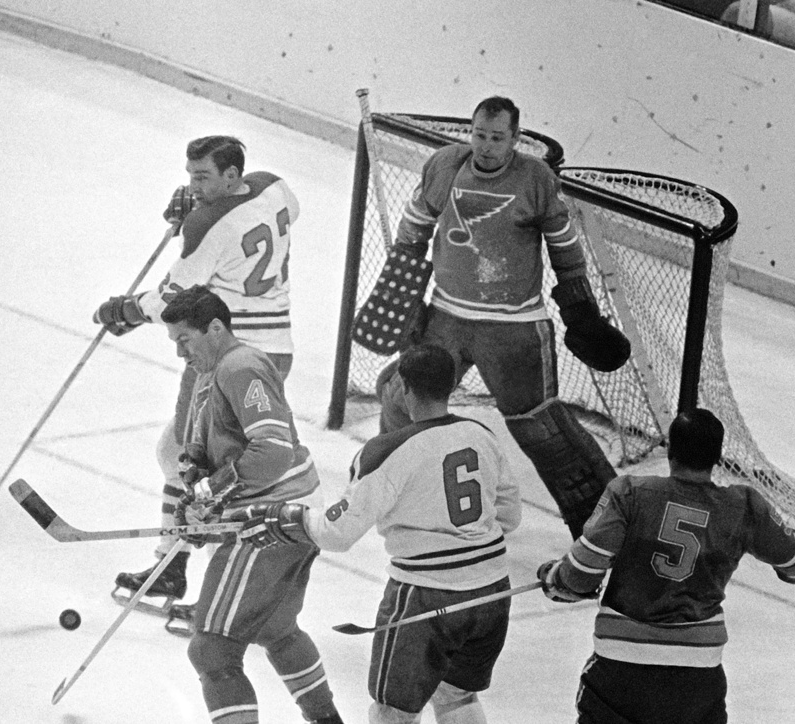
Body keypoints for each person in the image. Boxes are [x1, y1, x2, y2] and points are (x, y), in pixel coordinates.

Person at [375, 95, 630, 541]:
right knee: (401, 397)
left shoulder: (535, 179)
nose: (486, 146)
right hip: (447, 318)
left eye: (497, 137)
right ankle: (396, 494)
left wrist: (579, 309)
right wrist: (404, 292)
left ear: (515, 138)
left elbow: (565, 249)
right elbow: (413, 230)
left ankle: (606, 528)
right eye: (479, 135)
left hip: (513, 328)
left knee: (542, 430)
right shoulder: (445, 166)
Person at [238, 343, 523, 724]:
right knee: (457, 696)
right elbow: (510, 515)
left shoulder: (388, 452)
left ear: (402, 387)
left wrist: (288, 516)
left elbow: (337, 533)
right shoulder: (481, 434)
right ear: (453, 385)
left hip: (425, 597)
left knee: (393, 711)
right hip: (492, 592)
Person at [92, 135, 301, 609]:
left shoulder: (207, 226)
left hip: (224, 355)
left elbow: (174, 299)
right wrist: (201, 204)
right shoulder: (276, 187)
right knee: (181, 453)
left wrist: (127, 308)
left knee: (192, 461)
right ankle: (179, 561)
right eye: (190, 175)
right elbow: (256, 217)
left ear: (231, 175)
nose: (193, 185)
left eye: (202, 177)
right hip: (276, 350)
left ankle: (181, 569)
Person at [537, 408, 795, 723]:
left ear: (670, 450)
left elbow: (580, 576)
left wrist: (554, 577)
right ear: (717, 456)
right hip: (696, 677)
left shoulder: (629, 492)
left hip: (620, 668)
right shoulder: (744, 506)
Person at [160, 285, 343, 724]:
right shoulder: (215, 369)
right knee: (276, 630)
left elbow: (273, 449)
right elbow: (213, 449)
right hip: (283, 511)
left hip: (272, 517)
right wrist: (195, 484)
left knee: (212, 649)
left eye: (185, 340)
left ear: (216, 328)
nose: (180, 352)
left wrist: (211, 493)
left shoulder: (241, 366)